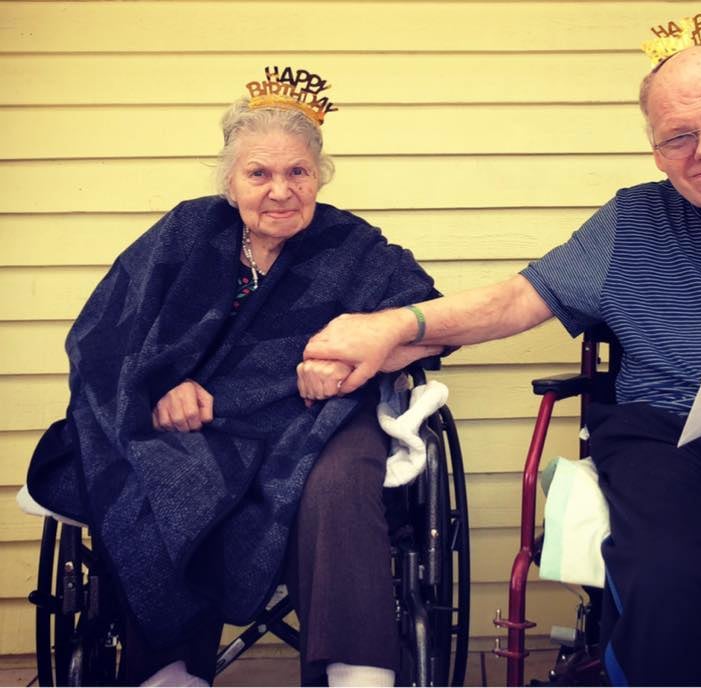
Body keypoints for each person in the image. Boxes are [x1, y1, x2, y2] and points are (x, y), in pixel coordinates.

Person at [302, 18, 701, 687]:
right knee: (673, 579)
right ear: (656, 151)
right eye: (679, 136)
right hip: (666, 438)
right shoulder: (632, 221)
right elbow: (512, 301)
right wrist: (394, 327)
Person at [25, 68, 442, 688]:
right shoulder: (185, 235)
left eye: (297, 172)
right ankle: (167, 668)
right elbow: (106, 334)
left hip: (313, 419)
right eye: (259, 173)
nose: (280, 190)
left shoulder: (352, 246)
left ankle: (357, 672)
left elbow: (433, 323)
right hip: (198, 425)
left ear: (319, 176)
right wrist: (157, 386)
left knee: (337, 481)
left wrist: (364, 354)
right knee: (157, 471)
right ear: (230, 180)